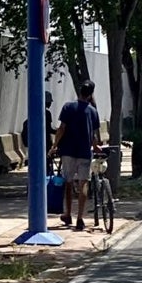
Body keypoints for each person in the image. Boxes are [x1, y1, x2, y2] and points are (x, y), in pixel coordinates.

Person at [53, 80, 102, 231]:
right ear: (90, 94)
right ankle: (80, 218)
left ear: (80, 91)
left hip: (68, 151)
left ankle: (67, 214)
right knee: (83, 183)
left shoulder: (68, 107)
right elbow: (93, 135)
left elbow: (62, 129)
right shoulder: (93, 111)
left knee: (68, 182)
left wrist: (54, 146)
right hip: (84, 152)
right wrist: (95, 147)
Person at [21, 91, 56, 168]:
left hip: (34, 143)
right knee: (47, 164)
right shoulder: (47, 114)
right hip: (44, 144)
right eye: (49, 102)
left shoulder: (34, 111)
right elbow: (48, 129)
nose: (50, 104)